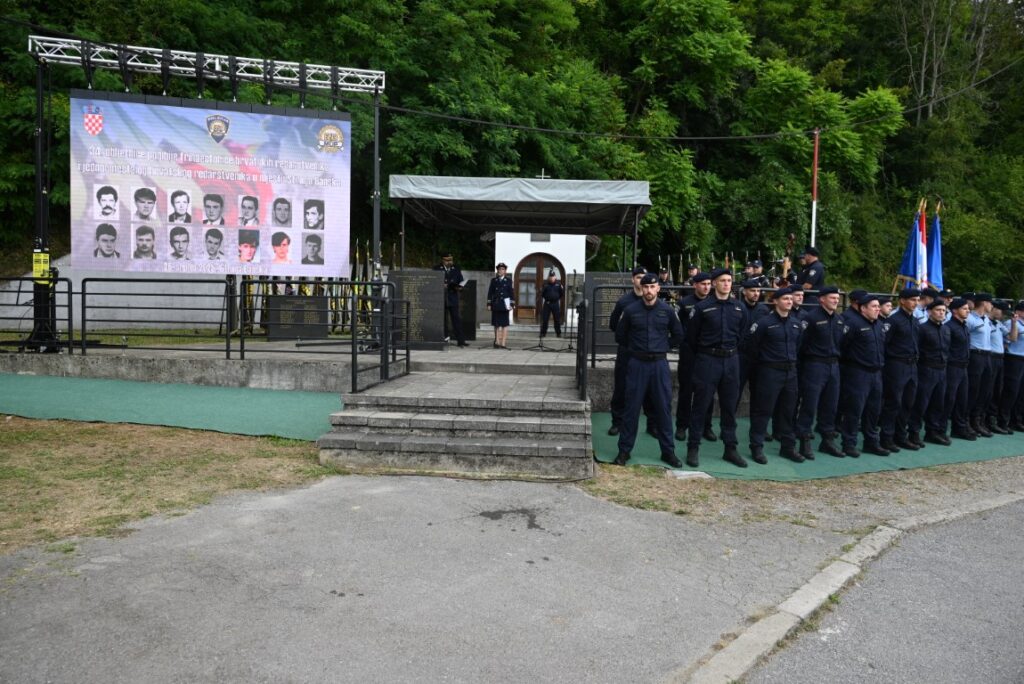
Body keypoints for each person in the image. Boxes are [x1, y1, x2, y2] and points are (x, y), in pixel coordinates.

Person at [613, 273, 685, 468]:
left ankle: (668, 452)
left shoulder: (667, 311)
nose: (649, 290)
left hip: (659, 365)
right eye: (645, 287)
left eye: (652, 287)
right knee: (631, 408)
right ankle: (624, 451)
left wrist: (663, 346)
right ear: (641, 288)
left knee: (663, 409)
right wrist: (636, 348)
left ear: (658, 288)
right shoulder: (630, 310)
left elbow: (678, 334)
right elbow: (620, 336)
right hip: (637, 364)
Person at [685, 268, 748, 468]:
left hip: (731, 361)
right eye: (722, 280)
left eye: (729, 280)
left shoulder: (739, 308)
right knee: (700, 405)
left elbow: (742, 335)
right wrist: (706, 353)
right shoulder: (702, 308)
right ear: (714, 283)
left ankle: (730, 448)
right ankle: (693, 447)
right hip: (708, 360)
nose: (727, 284)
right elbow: (691, 337)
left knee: (729, 407)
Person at [744, 285, 805, 464]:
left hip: (790, 372)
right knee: (763, 410)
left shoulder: (796, 323)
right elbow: (752, 346)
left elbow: (798, 346)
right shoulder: (764, 323)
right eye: (785, 299)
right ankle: (756, 447)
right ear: (775, 301)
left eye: (791, 299)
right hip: (769, 371)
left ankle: (788, 447)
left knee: (788, 411)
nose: (789, 301)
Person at [796, 284, 845, 458]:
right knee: (809, 404)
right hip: (815, 365)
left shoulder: (839, 319)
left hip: (833, 366)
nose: (836, 301)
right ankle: (804, 440)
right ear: (822, 299)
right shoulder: (811, 318)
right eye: (832, 298)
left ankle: (827, 440)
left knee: (830, 405)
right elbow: (801, 344)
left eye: (837, 298)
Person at [609, 268, 657, 437]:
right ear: (633, 280)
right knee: (621, 388)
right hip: (627, 351)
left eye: (645, 277)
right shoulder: (624, 302)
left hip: (648, 353)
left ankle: (652, 424)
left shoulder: (655, 302)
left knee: (651, 391)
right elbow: (614, 324)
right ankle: (617, 422)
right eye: (638, 277)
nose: (642, 280)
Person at [839, 292, 888, 457]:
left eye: (878, 306)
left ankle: (871, 442)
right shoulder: (853, 324)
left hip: (876, 373)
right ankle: (849, 443)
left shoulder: (879, 325)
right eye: (873, 306)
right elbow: (842, 346)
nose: (877, 309)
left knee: (874, 410)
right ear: (863, 308)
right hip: (858, 373)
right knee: (854, 410)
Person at [880, 288, 922, 452]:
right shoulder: (893, 320)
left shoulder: (915, 320)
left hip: (912, 365)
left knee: (908, 403)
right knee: (893, 403)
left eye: (917, 300)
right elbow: (884, 344)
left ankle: (900, 436)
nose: (915, 303)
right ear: (902, 301)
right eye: (912, 300)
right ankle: (887, 437)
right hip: (896, 365)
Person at [674, 272, 713, 442]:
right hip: (689, 353)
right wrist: (684, 342)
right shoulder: (684, 303)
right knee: (686, 391)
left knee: (707, 392)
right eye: (703, 284)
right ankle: (682, 426)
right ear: (695, 285)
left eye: (709, 284)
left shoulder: (714, 302)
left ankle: (706, 426)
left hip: (708, 353)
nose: (706, 287)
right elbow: (676, 326)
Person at [910, 300, 952, 446]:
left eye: (944, 310)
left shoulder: (946, 329)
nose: (941, 313)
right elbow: (916, 349)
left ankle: (932, 432)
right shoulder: (922, 329)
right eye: (938, 310)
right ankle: (914, 432)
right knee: (921, 403)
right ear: (929, 312)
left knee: (938, 403)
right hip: (926, 369)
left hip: (942, 369)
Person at [965, 293, 994, 437]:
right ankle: (966, 421)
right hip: (975, 354)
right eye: (990, 303)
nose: (992, 306)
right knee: (973, 389)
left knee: (985, 390)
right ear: (984, 303)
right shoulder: (970, 318)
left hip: (987, 355)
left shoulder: (986, 319)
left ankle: (977, 420)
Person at [944, 297, 973, 440]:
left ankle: (959, 428)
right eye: (964, 308)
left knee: (962, 399)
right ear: (955, 310)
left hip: (963, 367)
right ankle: (940, 429)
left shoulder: (964, 326)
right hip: (952, 367)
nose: (968, 311)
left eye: (968, 309)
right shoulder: (949, 327)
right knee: (949, 399)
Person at [985, 302, 1012, 434]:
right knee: (987, 390)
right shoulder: (986, 322)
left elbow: (1012, 338)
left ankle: (991, 419)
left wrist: (1014, 323)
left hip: (1000, 358)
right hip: (990, 357)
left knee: (997, 390)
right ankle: (982, 420)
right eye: (1002, 311)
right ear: (994, 309)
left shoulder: (999, 324)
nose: (1003, 315)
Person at [997, 301, 1024, 431]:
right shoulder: (1011, 323)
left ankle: (1016, 420)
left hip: (1022, 359)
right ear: (1018, 312)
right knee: (1011, 390)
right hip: (1013, 358)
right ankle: (1003, 420)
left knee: (1021, 392)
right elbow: (1006, 341)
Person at [438, 251, 468, 347]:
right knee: (443, 320)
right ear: (443, 260)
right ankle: (444, 338)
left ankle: (461, 340)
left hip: (453, 297)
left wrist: (460, 287)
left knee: (456, 319)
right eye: (447, 260)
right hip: (441, 297)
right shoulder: (437, 268)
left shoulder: (456, 269)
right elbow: (433, 281)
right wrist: (441, 285)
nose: (449, 262)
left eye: (451, 260)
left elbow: (461, 281)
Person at [487, 262, 514, 349]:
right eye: (499, 269)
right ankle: (497, 341)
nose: (500, 271)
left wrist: (512, 304)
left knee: (505, 324)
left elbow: (511, 293)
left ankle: (503, 343)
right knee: (496, 324)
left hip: (505, 304)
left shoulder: (508, 281)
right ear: (497, 270)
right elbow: (490, 293)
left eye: (502, 269)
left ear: (505, 271)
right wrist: (489, 304)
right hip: (496, 304)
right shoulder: (494, 280)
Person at [540, 270, 564, 338]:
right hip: (547, 304)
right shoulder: (545, 285)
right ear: (549, 277)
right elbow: (542, 294)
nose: (552, 278)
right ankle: (543, 333)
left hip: (555, 304)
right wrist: (547, 298)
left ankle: (558, 333)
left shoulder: (558, 285)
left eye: (553, 277)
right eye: (550, 277)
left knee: (557, 319)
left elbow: (561, 294)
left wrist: (556, 298)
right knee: (545, 319)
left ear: (555, 277)